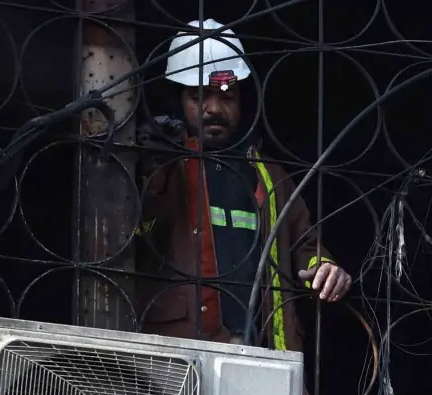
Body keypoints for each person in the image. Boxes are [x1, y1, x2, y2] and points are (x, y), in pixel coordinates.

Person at [136, 20, 352, 355]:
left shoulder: (270, 174)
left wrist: (327, 268)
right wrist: (155, 158)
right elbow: (136, 224)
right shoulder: (161, 164)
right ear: (177, 99)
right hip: (177, 352)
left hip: (259, 353)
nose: (214, 109)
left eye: (227, 96)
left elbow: (305, 244)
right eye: (198, 96)